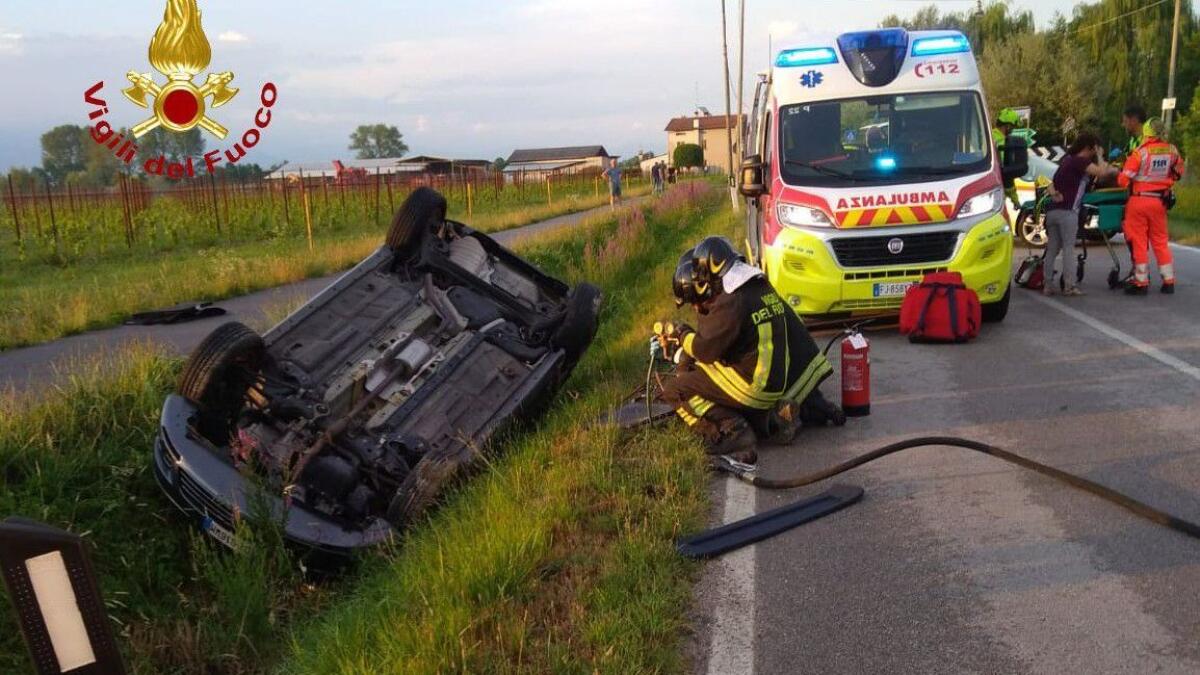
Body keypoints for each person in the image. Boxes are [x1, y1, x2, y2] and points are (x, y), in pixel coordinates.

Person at [659, 237, 844, 463]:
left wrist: (681, 334)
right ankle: (803, 408)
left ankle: (730, 431)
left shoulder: (731, 301)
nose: (697, 307)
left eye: (695, 301)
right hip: (782, 383)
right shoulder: (760, 286)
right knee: (714, 376)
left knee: (675, 389)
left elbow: (705, 350)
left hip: (753, 386)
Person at [1042, 132, 1118, 297]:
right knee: (1069, 249)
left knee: (1052, 249)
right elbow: (1102, 173)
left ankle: (1047, 285)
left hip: (1053, 211)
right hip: (1068, 211)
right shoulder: (1080, 161)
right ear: (1089, 147)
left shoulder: (1067, 161)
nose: (1094, 154)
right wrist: (1100, 156)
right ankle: (1069, 286)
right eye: (1094, 149)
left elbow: (1051, 184)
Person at [1118, 117, 1186, 295]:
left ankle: (1141, 283)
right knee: (1160, 241)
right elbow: (1179, 171)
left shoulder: (1140, 152)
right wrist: (1166, 182)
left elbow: (1123, 179)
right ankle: (1168, 281)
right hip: (1160, 201)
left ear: (1147, 132)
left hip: (1139, 201)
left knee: (1139, 241)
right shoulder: (1172, 150)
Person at [992, 107, 1022, 211]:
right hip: (997, 196)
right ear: (1007, 126)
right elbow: (1007, 176)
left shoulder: (988, 136)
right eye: (1012, 127)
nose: (1012, 130)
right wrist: (1016, 200)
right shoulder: (1003, 143)